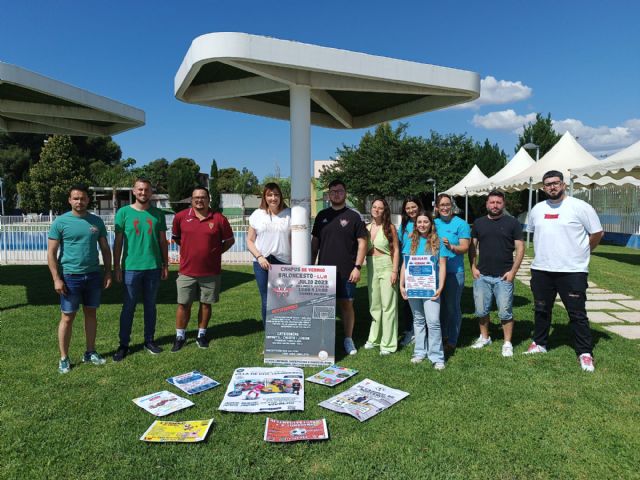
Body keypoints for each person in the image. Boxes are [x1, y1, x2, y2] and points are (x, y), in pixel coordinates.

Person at [524, 170, 604, 372]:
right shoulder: (537, 209)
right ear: (543, 188)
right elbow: (534, 232)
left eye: (556, 183)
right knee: (541, 309)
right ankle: (540, 344)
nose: (552, 187)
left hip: (572, 270)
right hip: (542, 269)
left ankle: (584, 353)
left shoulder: (580, 207)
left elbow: (597, 233)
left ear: (564, 184)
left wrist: (583, 251)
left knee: (577, 313)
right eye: (548, 184)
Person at [47, 185, 112, 374]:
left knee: (91, 314)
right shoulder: (60, 222)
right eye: (75, 198)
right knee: (67, 317)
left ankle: (90, 352)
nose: (79, 202)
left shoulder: (96, 222)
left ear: (88, 200)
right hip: (70, 276)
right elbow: (51, 252)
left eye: (82, 198)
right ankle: (64, 358)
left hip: (93, 275)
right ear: (69, 200)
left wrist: (108, 272)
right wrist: (56, 278)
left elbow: (106, 249)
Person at [171, 187, 235, 352]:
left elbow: (229, 241)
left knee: (206, 304)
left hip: (210, 271)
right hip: (186, 271)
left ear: (208, 199)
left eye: (203, 197)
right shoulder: (180, 217)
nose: (199, 200)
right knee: (183, 304)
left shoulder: (219, 218)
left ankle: (201, 334)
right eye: (196, 197)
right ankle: (180, 336)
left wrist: (214, 252)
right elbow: (178, 239)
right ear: (191, 200)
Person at [112, 178, 169, 361]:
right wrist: (117, 266)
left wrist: (165, 264)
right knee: (128, 307)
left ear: (151, 192)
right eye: (140, 190)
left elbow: (162, 241)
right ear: (134, 191)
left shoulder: (158, 214)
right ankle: (123, 344)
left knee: (150, 306)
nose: (143, 193)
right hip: (131, 268)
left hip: (152, 267)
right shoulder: (123, 213)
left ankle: (149, 340)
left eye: (146, 190)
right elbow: (118, 242)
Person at [311, 179, 367, 355]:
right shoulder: (321, 216)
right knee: (323, 307)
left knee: (346, 304)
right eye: (333, 191)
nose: (336, 194)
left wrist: (357, 267)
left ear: (345, 193)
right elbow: (315, 242)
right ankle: (324, 340)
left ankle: (348, 339)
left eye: (340, 191)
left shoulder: (353, 216)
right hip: (323, 272)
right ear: (328, 194)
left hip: (347, 270)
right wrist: (311, 266)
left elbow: (363, 242)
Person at [468, 191, 525, 357]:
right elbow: (472, 247)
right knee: (481, 310)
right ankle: (484, 337)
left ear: (503, 204)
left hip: (504, 276)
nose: (495, 205)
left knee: (505, 311)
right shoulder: (478, 223)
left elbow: (520, 248)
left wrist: (513, 272)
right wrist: (473, 267)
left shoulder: (512, 223)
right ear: (486, 204)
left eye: (498, 202)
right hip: (482, 275)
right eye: (492, 202)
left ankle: (507, 343)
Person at [399, 210, 447, 369]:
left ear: (431, 224)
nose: (422, 225)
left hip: (431, 288)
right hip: (414, 288)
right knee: (418, 320)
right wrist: (401, 284)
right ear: (415, 224)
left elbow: (443, 266)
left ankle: (437, 357)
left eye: (425, 221)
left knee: (433, 322)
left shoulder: (438, 242)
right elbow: (405, 265)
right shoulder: (410, 241)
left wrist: (440, 287)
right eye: (419, 222)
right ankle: (419, 352)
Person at [247, 182, 291, 325]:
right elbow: (250, 240)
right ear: (264, 197)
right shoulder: (257, 214)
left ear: (281, 196)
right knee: (266, 299)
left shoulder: (290, 214)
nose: (273, 198)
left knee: (283, 299)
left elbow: (295, 239)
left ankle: (283, 332)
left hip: (284, 262)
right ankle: (269, 336)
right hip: (262, 263)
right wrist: (259, 257)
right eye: (269, 195)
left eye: (276, 194)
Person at [363, 197, 400, 355]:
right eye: (374, 207)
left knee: (388, 306)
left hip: (387, 265)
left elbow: (396, 250)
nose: (376, 210)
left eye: (380, 208)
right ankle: (374, 338)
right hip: (372, 265)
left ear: (384, 211)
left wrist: (394, 271)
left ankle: (388, 343)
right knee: (375, 305)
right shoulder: (366, 228)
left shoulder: (389, 227)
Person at [434, 193, 470, 352]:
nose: (445, 208)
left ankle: (452, 340)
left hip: (454, 272)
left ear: (452, 206)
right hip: (434, 272)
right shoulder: (433, 223)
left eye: (447, 204)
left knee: (452, 307)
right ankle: (441, 336)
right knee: (437, 307)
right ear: (436, 208)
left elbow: (465, 247)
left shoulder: (461, 224)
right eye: (441, 205)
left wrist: (452, 248)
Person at [398, 196, 423, 347]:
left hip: (423, 266)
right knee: (408, 301)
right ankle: (409, 331)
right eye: (408, 208)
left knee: (424, 300)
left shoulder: (425, 221)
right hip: (407, 265)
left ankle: (423, 333)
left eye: (413, 207)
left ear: (419, 206)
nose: (411, 210)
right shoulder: (404, 224)